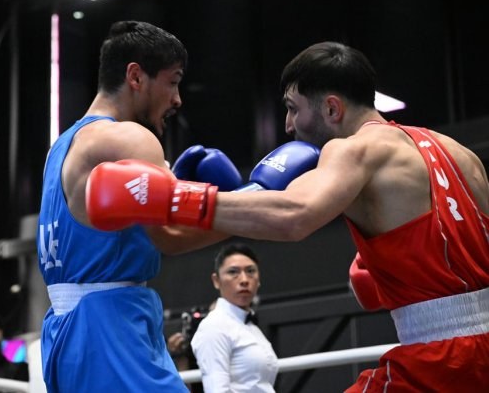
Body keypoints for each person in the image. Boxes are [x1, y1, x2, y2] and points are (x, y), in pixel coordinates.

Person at [86, 41, 489, 391]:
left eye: (294, 109)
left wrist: (169, 199)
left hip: (438, 361)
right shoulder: (459, 153)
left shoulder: (354, 150)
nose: (288, 125)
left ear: (332, 108)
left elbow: (295, 215)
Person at [36, 20, 241, 393]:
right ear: (135, 76)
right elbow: (170, 235)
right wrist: (249, 208)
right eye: (172, 82)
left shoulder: (61, 148)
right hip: (108, 327)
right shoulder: (130, 138)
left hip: (67, 330)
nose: (177, 99)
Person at [190, 243, 278, 393]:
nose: (244, 279)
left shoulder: (249, 326)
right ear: (216, 281)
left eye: (250, 271)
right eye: (233, 272)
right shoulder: (215, 325)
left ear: (259, 279)